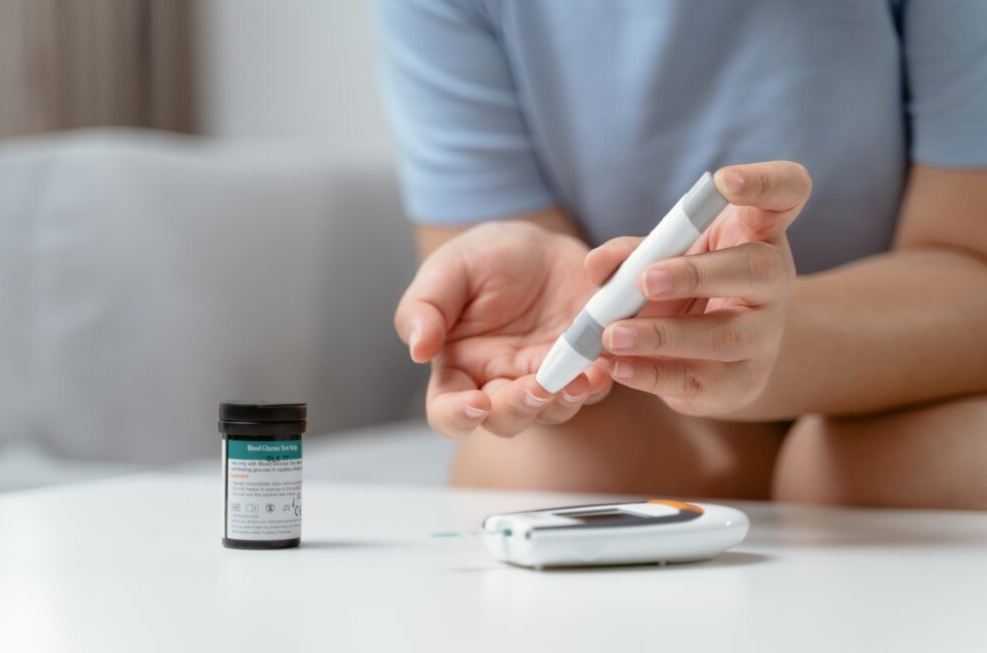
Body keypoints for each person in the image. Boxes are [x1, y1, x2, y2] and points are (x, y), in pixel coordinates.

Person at [374, 0, 987, 509]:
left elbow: (969, 274)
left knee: (874, 478)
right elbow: (517, 350)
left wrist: (764, 343)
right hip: (638, 393)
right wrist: (536, 298)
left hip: (912, 372)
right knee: (532, 476)